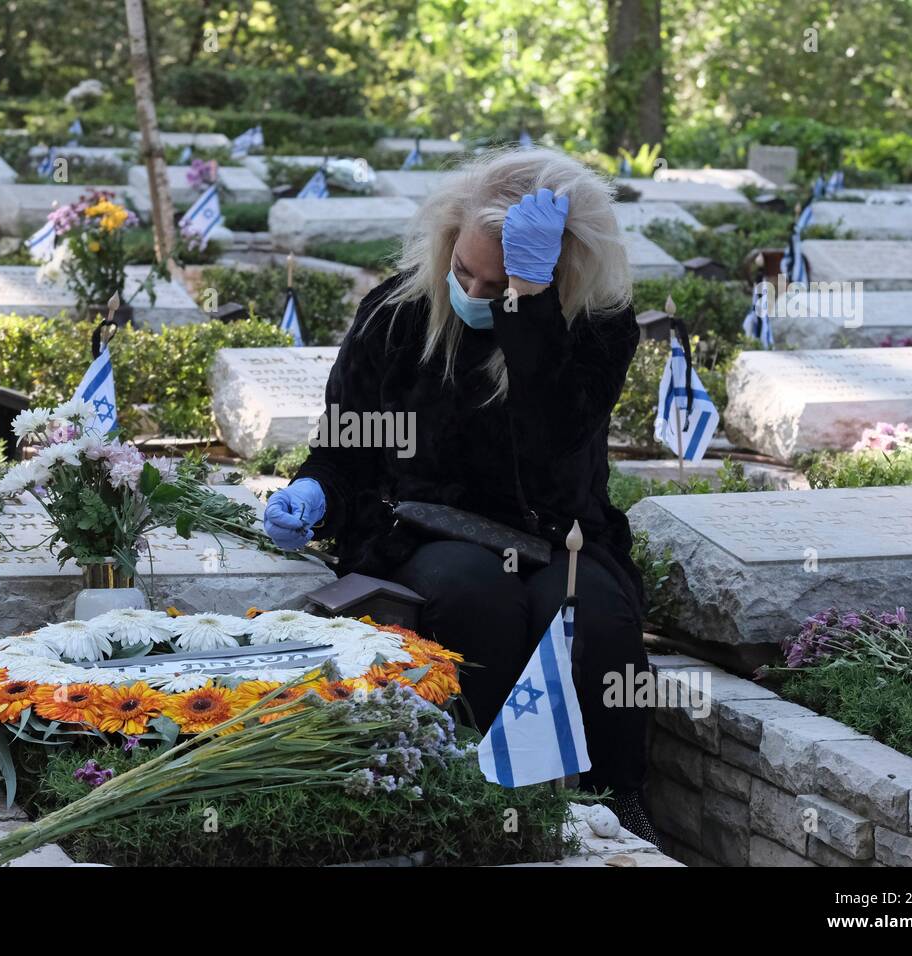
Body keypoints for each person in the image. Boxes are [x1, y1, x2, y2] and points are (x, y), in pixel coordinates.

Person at [262, 147, 658, 845]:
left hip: (557, 532)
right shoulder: (398, 311)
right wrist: (314, 492)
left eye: (496, 286)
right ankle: (480, 804)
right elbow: (345, 448)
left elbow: (555, 436)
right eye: (463, 271)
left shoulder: (597, 326)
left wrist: (528, 313)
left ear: (556, 277)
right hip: (425, 532)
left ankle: (616, 805)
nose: (472, 295)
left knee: (591, 618)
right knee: (475, 597)